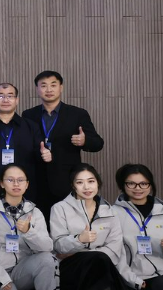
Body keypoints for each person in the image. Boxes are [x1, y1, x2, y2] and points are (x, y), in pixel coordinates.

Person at [50, 164, 140, 290]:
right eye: (80, 182)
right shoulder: (59, 208)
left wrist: (85, 252)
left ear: (98, 183)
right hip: (70, 267)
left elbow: (114, 247)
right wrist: (79, 239)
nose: (86, 187)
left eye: (91, 181)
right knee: (98, 258)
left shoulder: (110, 211)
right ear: (73, 186)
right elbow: (58, 245)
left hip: (100, 264)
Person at [22, 71, 105, 217]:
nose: (49, 89)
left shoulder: (77, 114)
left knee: (68, 221)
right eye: (44, 85)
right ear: (37, 89)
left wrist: (84, 141)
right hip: (37, 181)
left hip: (66, 180)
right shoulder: (28, 115)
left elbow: (98, 143)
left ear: (61, 88)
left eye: (53, 85)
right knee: (40, 223)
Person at [0, 83, 41, 206]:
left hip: (22, 189)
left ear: (17, 100)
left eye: (10, 96)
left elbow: (38, 155)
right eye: (0, 96)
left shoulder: (31, 126)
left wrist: (45, 154)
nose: (5, 100)